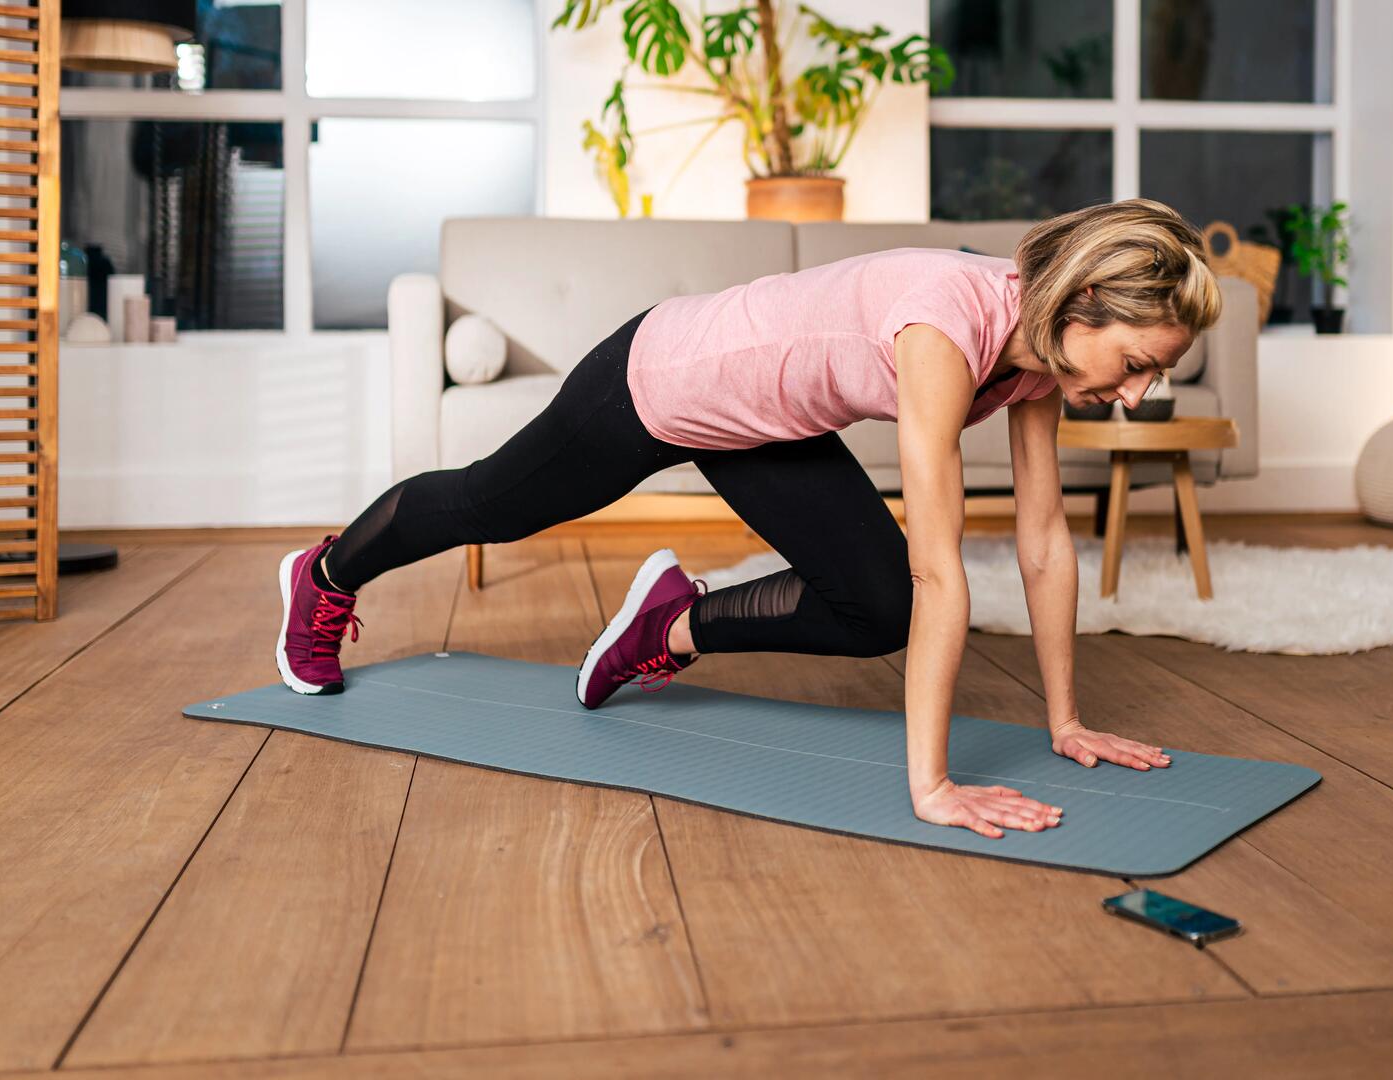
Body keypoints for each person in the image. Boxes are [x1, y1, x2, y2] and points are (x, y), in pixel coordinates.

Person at [274, 198, 1224, 840]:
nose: (1137, 394)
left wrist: (1066, 721)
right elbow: (946, 569)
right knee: (490, 504)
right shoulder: (947, 330)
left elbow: (1046, 542)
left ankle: (669, 625)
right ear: (1086, 303)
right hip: (662, 378)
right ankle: (325, 575)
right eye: (1138, 362)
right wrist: (931, 787)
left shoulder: (1039, 358)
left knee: (875, 607)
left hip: (769, 423)